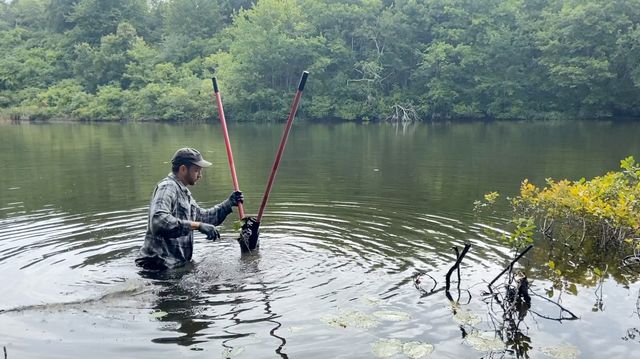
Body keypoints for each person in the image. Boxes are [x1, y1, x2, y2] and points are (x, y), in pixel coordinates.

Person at [136, 147, 243, 270]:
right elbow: (158, 220)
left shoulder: (184, 192)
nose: (200, 175)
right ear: (183, 169)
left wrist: (228, 204)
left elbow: (203, 218)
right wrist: (197, 225)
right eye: (197, 170)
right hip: (157, 266)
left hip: (173, 265)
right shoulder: (167, 187)